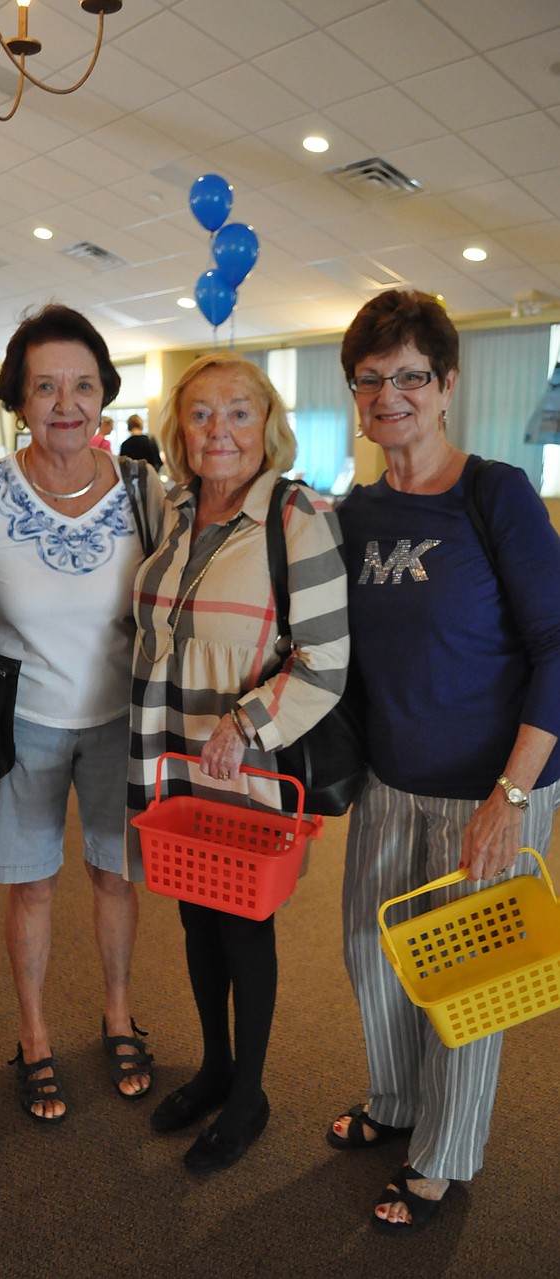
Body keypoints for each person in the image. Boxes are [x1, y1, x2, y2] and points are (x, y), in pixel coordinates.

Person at [331, 289, 560, 1234]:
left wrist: (512, 794)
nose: (392, 394)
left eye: (411, 376)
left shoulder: (494, 492)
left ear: (447, 384)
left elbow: (556, 647)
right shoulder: (357, 510)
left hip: (491, 788)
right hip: (390, 784)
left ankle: (442, 1156)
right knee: (374, 959)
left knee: (467, 988)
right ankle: (395, 1101)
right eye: (372, 378)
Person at [127, 354, 349, 1174]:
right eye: (201, 414)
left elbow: (326, 660)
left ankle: (249, 1091)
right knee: (193, 917)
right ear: (178, 431)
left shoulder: (299, 517)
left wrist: (245, 721)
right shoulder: (178, 512)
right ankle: (214, 1066)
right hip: (173, 758)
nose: (219, 430)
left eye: (239, 412)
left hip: (246, 764)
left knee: (244, 924)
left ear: (269, 427)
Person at [0, 304, 166, 1122]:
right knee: (33, 887)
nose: (66, 403)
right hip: (24, 721)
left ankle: (118, 1014)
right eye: (45, 386)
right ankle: (36, 1034)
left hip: (124, 720)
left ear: (104, 396)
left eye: (82, 384)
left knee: (115, 876)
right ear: (18, 398)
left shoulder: (145, 490)